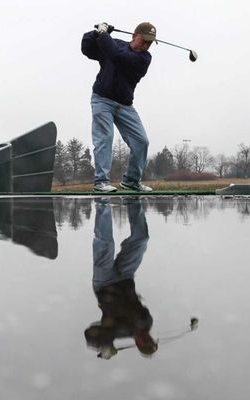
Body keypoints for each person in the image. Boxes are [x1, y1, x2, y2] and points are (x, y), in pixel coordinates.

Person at [82, 22, 156, 193]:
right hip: (102, 100)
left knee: (141, 141)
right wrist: (96, 34)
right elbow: (86, 48)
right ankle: (101, 182)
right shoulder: (114, 44)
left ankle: (131, 181)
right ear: (134, 35)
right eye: (144, 40)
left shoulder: (144, 59)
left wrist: (104, 36)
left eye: (149, 43)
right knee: (104, 138)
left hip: (125, 105)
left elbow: (118, 57)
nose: (146, 45)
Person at [84, 198, 157, 359]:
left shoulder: (119, 332)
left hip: (104, 283)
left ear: (138, 344)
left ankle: (102, 203)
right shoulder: (147, 322)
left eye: (144, 342)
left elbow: (89, 333)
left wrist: (104, 345)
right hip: (125, 276)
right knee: (141, 240)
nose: (146, 338)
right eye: (150, 340)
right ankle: (133, 200)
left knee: (105, 243)